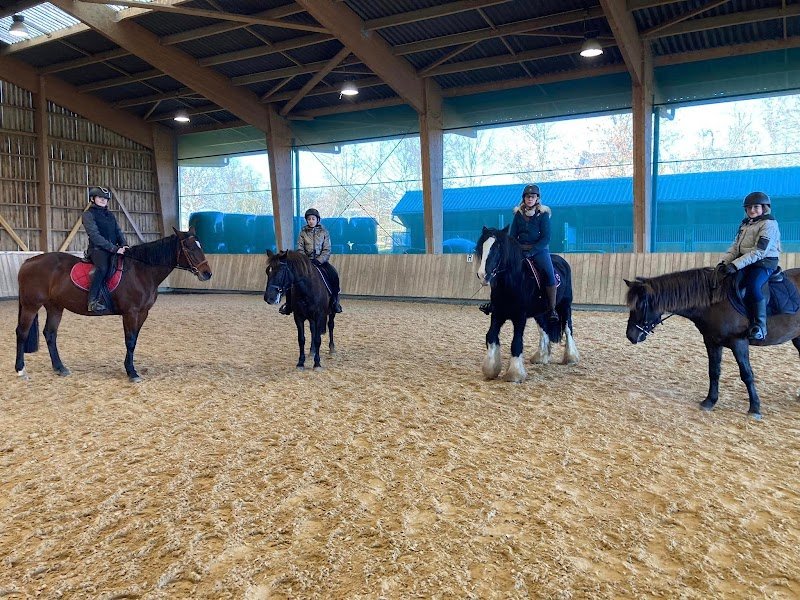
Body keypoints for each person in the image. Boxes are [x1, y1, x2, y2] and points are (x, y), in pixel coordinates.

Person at [479, 184, 558, 321]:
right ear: (524, 198)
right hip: (520, 250)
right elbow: (513, 236)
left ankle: (552, 309)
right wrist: (514, 250)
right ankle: (494, 303)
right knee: (500, 270)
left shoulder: (543, 214)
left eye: (533, 197)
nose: (530, 199)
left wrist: (532, 251)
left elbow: (546, 238)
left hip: (539, 250)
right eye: (528, 197)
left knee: (549, 275)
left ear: (537, 198)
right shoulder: (518, 214)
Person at [716, 191, 781, 341]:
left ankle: (760, 326)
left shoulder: (769, 224)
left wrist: (735, 265)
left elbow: (759, 251)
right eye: (749, 207)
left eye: (756, 207)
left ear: (764, 208)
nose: (752, 210)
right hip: (745, 260)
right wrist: (724, 262)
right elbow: (735, 247)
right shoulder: (745, 224)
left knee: (753, 286)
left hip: (764, 262)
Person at [279, 207, 343, 315]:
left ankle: (335, 302)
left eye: (313, 219)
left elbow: (327, 249)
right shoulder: (303, 233)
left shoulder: (324, 232)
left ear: (317, 220)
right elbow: (300, 248)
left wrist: (319, 260)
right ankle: (288, 305)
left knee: (333, 274)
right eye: (309, 219)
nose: (311, 221)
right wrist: (305, 261)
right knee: (291, 279)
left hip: (321, 262)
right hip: (305, 263)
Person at [82, 186, 128, 312]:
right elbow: (94, 235)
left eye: (105, 199)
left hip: (114, 249)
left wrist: (124, 245)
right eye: (100, 198)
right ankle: (92, 301)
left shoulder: (110, 215)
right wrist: (113, 248)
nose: (103, 200)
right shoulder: (88, 215)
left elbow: (118, 232)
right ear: (92, 199)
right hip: (97, 250)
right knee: (102, 268)